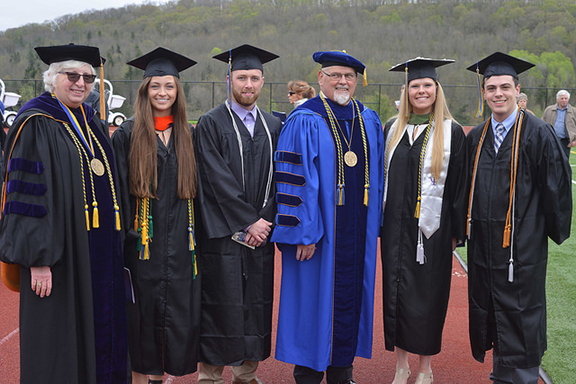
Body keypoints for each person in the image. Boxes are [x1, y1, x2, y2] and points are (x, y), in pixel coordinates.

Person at [0, 44, 127, 383]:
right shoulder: (36, 122)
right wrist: (37, 259)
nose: (81, 83)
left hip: (98, 253)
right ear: (52, 78)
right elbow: (26, 198)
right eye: (72, 75)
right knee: (61, 342)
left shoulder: (94, 125)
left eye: (87, 77)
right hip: (60, 257)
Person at [271, 50, 384, 384]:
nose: (342, 81)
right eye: (335, 75)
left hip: (356, 231)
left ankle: (342, 371)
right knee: (312, 301)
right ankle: (307, 373)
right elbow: (294, 179)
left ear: (357, 81)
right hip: (319, 237)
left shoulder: (367, 119)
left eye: (348, 76)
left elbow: (378, 177)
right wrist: (305, 233)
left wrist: (373, 223)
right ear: (320, 79)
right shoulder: (305, 118)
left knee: (351, 297)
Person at [465, 52, 572, 384]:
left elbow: (556, 189)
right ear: (484, 92)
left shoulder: (539, 134)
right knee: (492, 309)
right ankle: (500, 374)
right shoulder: (476, 137)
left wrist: (547, 232)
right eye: (492, 87)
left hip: (522, 248)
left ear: (517, 89)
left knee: (522, 313)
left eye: (505, 87)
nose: (499, 93)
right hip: (483, 246)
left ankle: (524, 377)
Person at [111, 47, 200, 384]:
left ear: (178, 92)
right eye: (155, 86)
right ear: (144, 91)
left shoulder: (190, 135)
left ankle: (163, 378)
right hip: (141, 248)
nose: (162, 93)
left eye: (169, 87)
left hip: (182, 247)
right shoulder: (128, 135)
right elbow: (118, 193)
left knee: (177, 318)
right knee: (141, 318)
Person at [194, 44, 282, 384]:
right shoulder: (211, 123)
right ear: (228, 78)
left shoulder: (274, 125)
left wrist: (266, 221)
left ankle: (246, 374)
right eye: (242, 77)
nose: (248, 84)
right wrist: (249, 221)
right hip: (224, 236)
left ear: (263, 81)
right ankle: (210, 376)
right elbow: (214, 179)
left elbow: (282, 181)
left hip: (261, 235)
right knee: (220, 305)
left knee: (255, 304)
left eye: (255, 78)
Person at [382, 58, 467, 384]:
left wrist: (456, 234)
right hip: (394, 230)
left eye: (427, 85)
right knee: (396, 293)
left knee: (428, 299)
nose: (421, 91)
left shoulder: (452, 132)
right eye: (415, 86)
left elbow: (460, 186)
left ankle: (424, 369)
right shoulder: (392, 129)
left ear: (436, 89)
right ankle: (401, 365)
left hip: (433, 232)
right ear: (407, 91)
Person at [542, 89, 576, 158]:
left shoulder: (574, 111)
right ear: (557, 99)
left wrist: (575, 140)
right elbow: (541, 125)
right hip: (551, 140)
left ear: (568, 99)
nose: (564, 100)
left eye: (566, 98)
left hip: (565, 142)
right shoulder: (549, 110)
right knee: (550, 161)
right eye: (562, 98)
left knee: (564, 163)